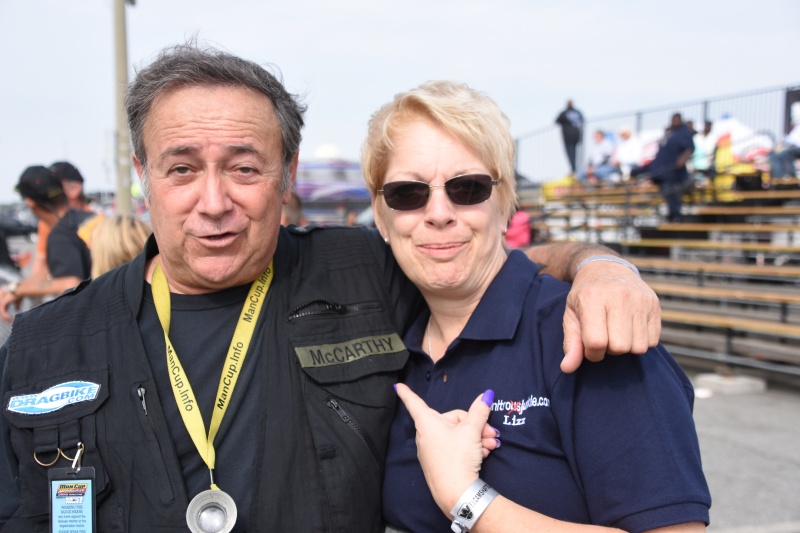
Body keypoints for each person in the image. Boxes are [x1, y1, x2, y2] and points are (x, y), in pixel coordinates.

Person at [0, 44, 660, 532]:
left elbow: (478, 259)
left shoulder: (362, 271)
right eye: (182, 169)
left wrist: (601, 266)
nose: (214, 201)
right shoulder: (40, 347)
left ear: (286, 173)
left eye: (244, 168)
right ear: (143, 174)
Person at [361, 81, 710, 532]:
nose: (439, 212)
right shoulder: (395, 338)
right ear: (381, 215)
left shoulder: (584, 331)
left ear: (505, 202)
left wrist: (466, 498)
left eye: (468, 188)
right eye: (408, 193)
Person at [0, 166, 97, 322]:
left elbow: (71, 283)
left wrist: (17, 290)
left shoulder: (61, 234)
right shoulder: (87, 217)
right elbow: (49, 270)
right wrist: (16, 289)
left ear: (30, 202)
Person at [632, 113, 695, 222]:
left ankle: (676, 216)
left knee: (671, 194)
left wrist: (682, 159)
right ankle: (673, 215)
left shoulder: (683, 133)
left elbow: (689, 148)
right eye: (673, 120)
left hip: (673, 173)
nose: (674, 122)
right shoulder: (670, 134)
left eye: (676, 120)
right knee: (667, 193)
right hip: (662, 171)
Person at [555, 100, 584, 175]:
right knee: (574, 153)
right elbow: (582, 120)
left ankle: (573, 170)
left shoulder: (564, 113)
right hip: (576, 135)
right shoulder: (577, 112)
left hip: (568, 136)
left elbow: (557, 121)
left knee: (570, 153)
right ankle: (574, 169)